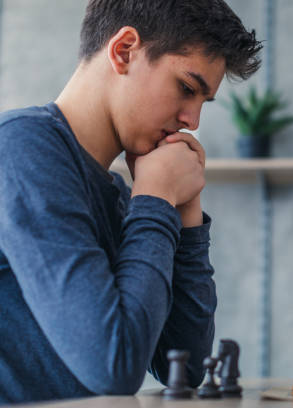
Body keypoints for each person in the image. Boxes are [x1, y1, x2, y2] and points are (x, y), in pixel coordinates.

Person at [0, 0, 261, 403]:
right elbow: (113, 368)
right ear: (124, 51)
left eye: (202, 102)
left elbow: (186, 367)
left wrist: (184, 212)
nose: (193, 121)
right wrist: (156, 198)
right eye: (187, 88)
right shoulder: (21, 147)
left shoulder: (124, 198)